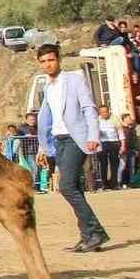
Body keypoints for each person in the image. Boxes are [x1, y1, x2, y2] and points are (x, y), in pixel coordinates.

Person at [34, 45, 110, 252]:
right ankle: (89, 236)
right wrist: (44, 147)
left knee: (66, 186)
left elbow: (88, 108)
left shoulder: (75, 80)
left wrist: (93, 136)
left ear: (58, 60)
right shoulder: (47, 87)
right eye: (43, 61)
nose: (48, 64)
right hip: (58, 141)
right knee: (74, 187)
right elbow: (47, 120)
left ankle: (97, 231)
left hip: (76, 139)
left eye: (51, 60)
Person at [94, 106, 120, 191]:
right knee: (103, 164)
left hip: (114, 142)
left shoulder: (114, 119)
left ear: (108, 111)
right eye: (102, 112)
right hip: (102, 143)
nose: (104, 113)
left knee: (114, 164)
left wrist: (123, 144)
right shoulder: (97, 120)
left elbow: (120, 131)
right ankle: (105, 184)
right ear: (100, 113)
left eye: (106, 111)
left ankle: (114, 184)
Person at [116, 113, 140, 188]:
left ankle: (132, 182)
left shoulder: (133, 129)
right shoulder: (121, 129)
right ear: (124, 119)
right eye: (129, 118)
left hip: (132, 150)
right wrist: (120, 149)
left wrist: (136, 149)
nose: (131, 119)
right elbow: (119, 140)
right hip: (123, 150)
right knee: (122, 166)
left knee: (132, 167)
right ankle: (119, 182)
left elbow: (135, 141)